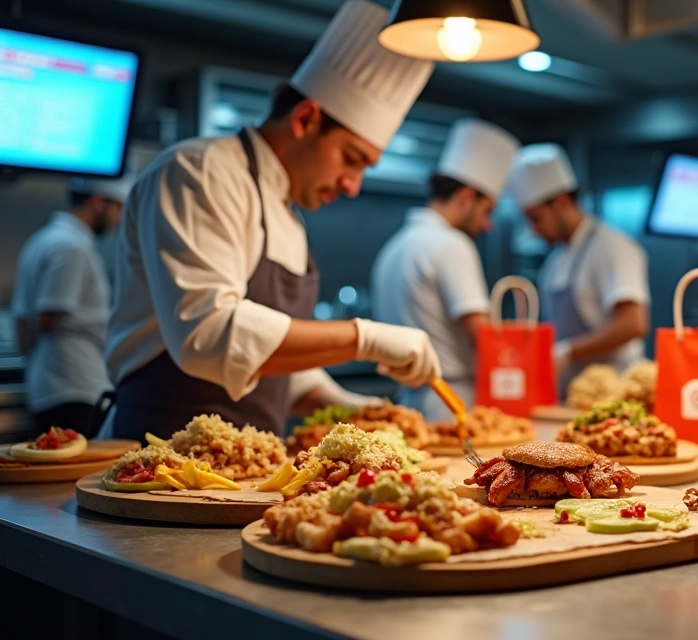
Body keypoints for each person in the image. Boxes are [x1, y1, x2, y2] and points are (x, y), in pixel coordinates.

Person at [102, 0, 441, 439]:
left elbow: (269, 364)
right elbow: (208, 334)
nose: (353, 186)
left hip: (252, 459)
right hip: (159, 452)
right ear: (305, 119)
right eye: (351, 159)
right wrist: (364, 338)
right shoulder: (199, 172)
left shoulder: (289, 216)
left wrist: (352, 406)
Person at [370, 119, 519, 421]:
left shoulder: (395, 246)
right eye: (487, 210)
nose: (487, 224)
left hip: (410, 399)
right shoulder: (452, 244)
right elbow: (482, 333)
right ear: (466, 197)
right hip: (452, 400)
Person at [507, 143, 650, 392]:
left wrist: (568, 351)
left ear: (561, 202)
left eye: (536, 218)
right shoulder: (556, 260)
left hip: (614, 391)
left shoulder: (612, 247)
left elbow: (633, 323)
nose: (534, 230)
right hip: (571, 391)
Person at [12, 177, 130, 436]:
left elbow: (22, 320)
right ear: (98, 201)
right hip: (74, 385)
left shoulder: (42, 239)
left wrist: (34, 368)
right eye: (118, 208)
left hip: (53, 383)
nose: (119, 219)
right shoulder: (71, 247)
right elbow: (47, 317)